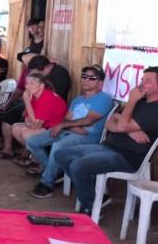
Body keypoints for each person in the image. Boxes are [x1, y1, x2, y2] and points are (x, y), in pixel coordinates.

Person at [54, 67, 158, 215]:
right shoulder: (142, 101)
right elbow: (110, 122)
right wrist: (130, 129)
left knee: (78, 165)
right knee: (61, 154)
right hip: (108, 147)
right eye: (142, 80)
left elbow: (121, 124)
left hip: (127, 157)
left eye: (148, 81)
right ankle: (96, 197)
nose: (142, 84)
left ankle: (90, 207)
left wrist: (130, 103)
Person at [28, 65, 113, 198]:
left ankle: (47, 183)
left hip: (89, 136)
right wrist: (70, 126)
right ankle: (56, 171)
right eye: (84, 76)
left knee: (58, 145)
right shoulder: (77, 100)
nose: (86, 80)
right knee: (32, 142)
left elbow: (89, 120)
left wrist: (65, 125)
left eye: (92, 78)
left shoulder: (104, 98)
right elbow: (66, 119)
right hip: (72, 131)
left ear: (100, 82)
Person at [0, 72, 67, 162]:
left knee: (26, 133)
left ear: (41, 86)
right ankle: (33, 155)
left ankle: (39, 161)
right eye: (27, 83)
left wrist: (26, 101)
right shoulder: (34, 96)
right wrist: (30, 122)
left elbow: (35, 124)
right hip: (44, 126)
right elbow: (27, 119)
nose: (28, 86)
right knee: (15, 127)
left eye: (32, 83)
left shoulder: (47, 97)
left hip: (55, 130)